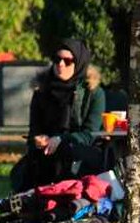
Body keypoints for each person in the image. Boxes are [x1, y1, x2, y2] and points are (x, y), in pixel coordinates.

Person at [10, 39, 108, 193]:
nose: (60, 64)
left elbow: (90, 133)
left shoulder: (94, 92)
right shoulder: (41, 89)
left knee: (65, 154)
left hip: (80, 149)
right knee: (29, 169)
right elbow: (34, 129)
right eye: (57, 59)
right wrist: (38, 139)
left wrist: (61, 139)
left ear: (79, 63)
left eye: (67, 61)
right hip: (47, 151)